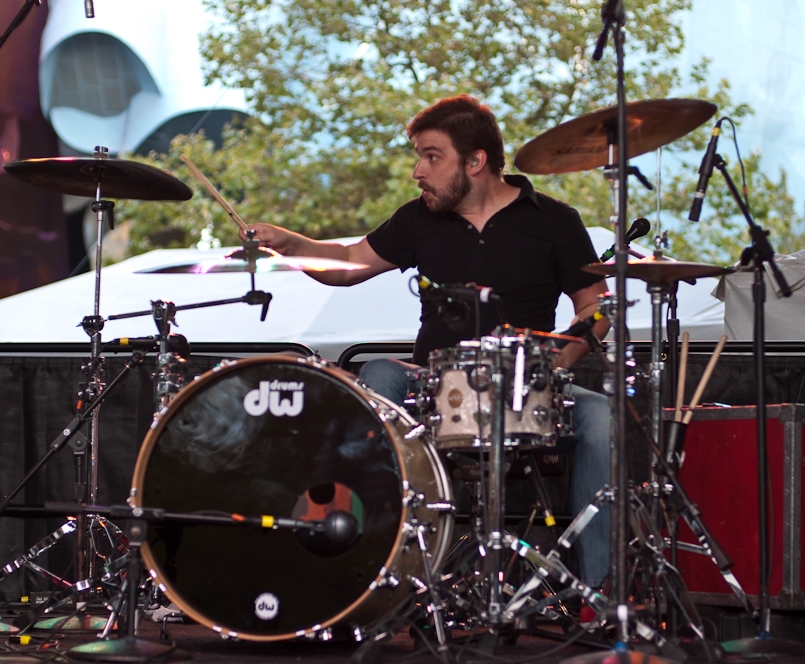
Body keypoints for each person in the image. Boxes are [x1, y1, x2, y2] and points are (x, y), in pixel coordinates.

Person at [243, 95, 612, 589]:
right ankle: (374, 574)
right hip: (437, 385)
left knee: (601, 419)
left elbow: (596, 306)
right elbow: (350, 261)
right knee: (378, 375)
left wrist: (566, 355)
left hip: (530, 384)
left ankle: (600, 592)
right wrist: (291, 244)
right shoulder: (418, 219)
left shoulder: (554, 220)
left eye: (431, 156)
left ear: (476, 161)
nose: (418, 170)